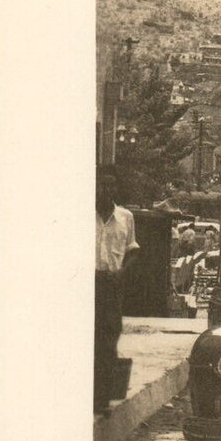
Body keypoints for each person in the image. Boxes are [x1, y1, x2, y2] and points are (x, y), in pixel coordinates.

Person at [95, 164, 140, 415]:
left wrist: (122, 273)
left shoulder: (126, 217)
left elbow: (133, 250)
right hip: (86, 284)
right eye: (102, 184)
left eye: (111, 184)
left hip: (110, 286)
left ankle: (102, 399)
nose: (106, 189)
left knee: (108, 339)